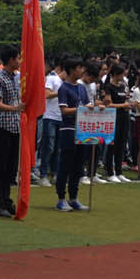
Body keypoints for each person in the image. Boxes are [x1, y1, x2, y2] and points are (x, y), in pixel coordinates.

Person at [0, 47, 23, 218]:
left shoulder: (16, 78)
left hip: (15, 127)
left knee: (10, 168)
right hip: (2, 126)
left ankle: (7, 199)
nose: (20, 61)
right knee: (0, 167)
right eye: (18, 58)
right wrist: (16, 108)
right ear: (10, 60)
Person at [54, 56, 90, 212]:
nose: (82, 71)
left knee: (78, 165)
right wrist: (81, 110)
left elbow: (88, 105)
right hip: (68, 129)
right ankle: (61, 198)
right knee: (65, 165)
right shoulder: (64, 88)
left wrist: (99, 107)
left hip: (82, 130)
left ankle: (73, 197)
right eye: (79, 68)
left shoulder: (82, 88)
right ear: (71, 70)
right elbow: (64, 111)